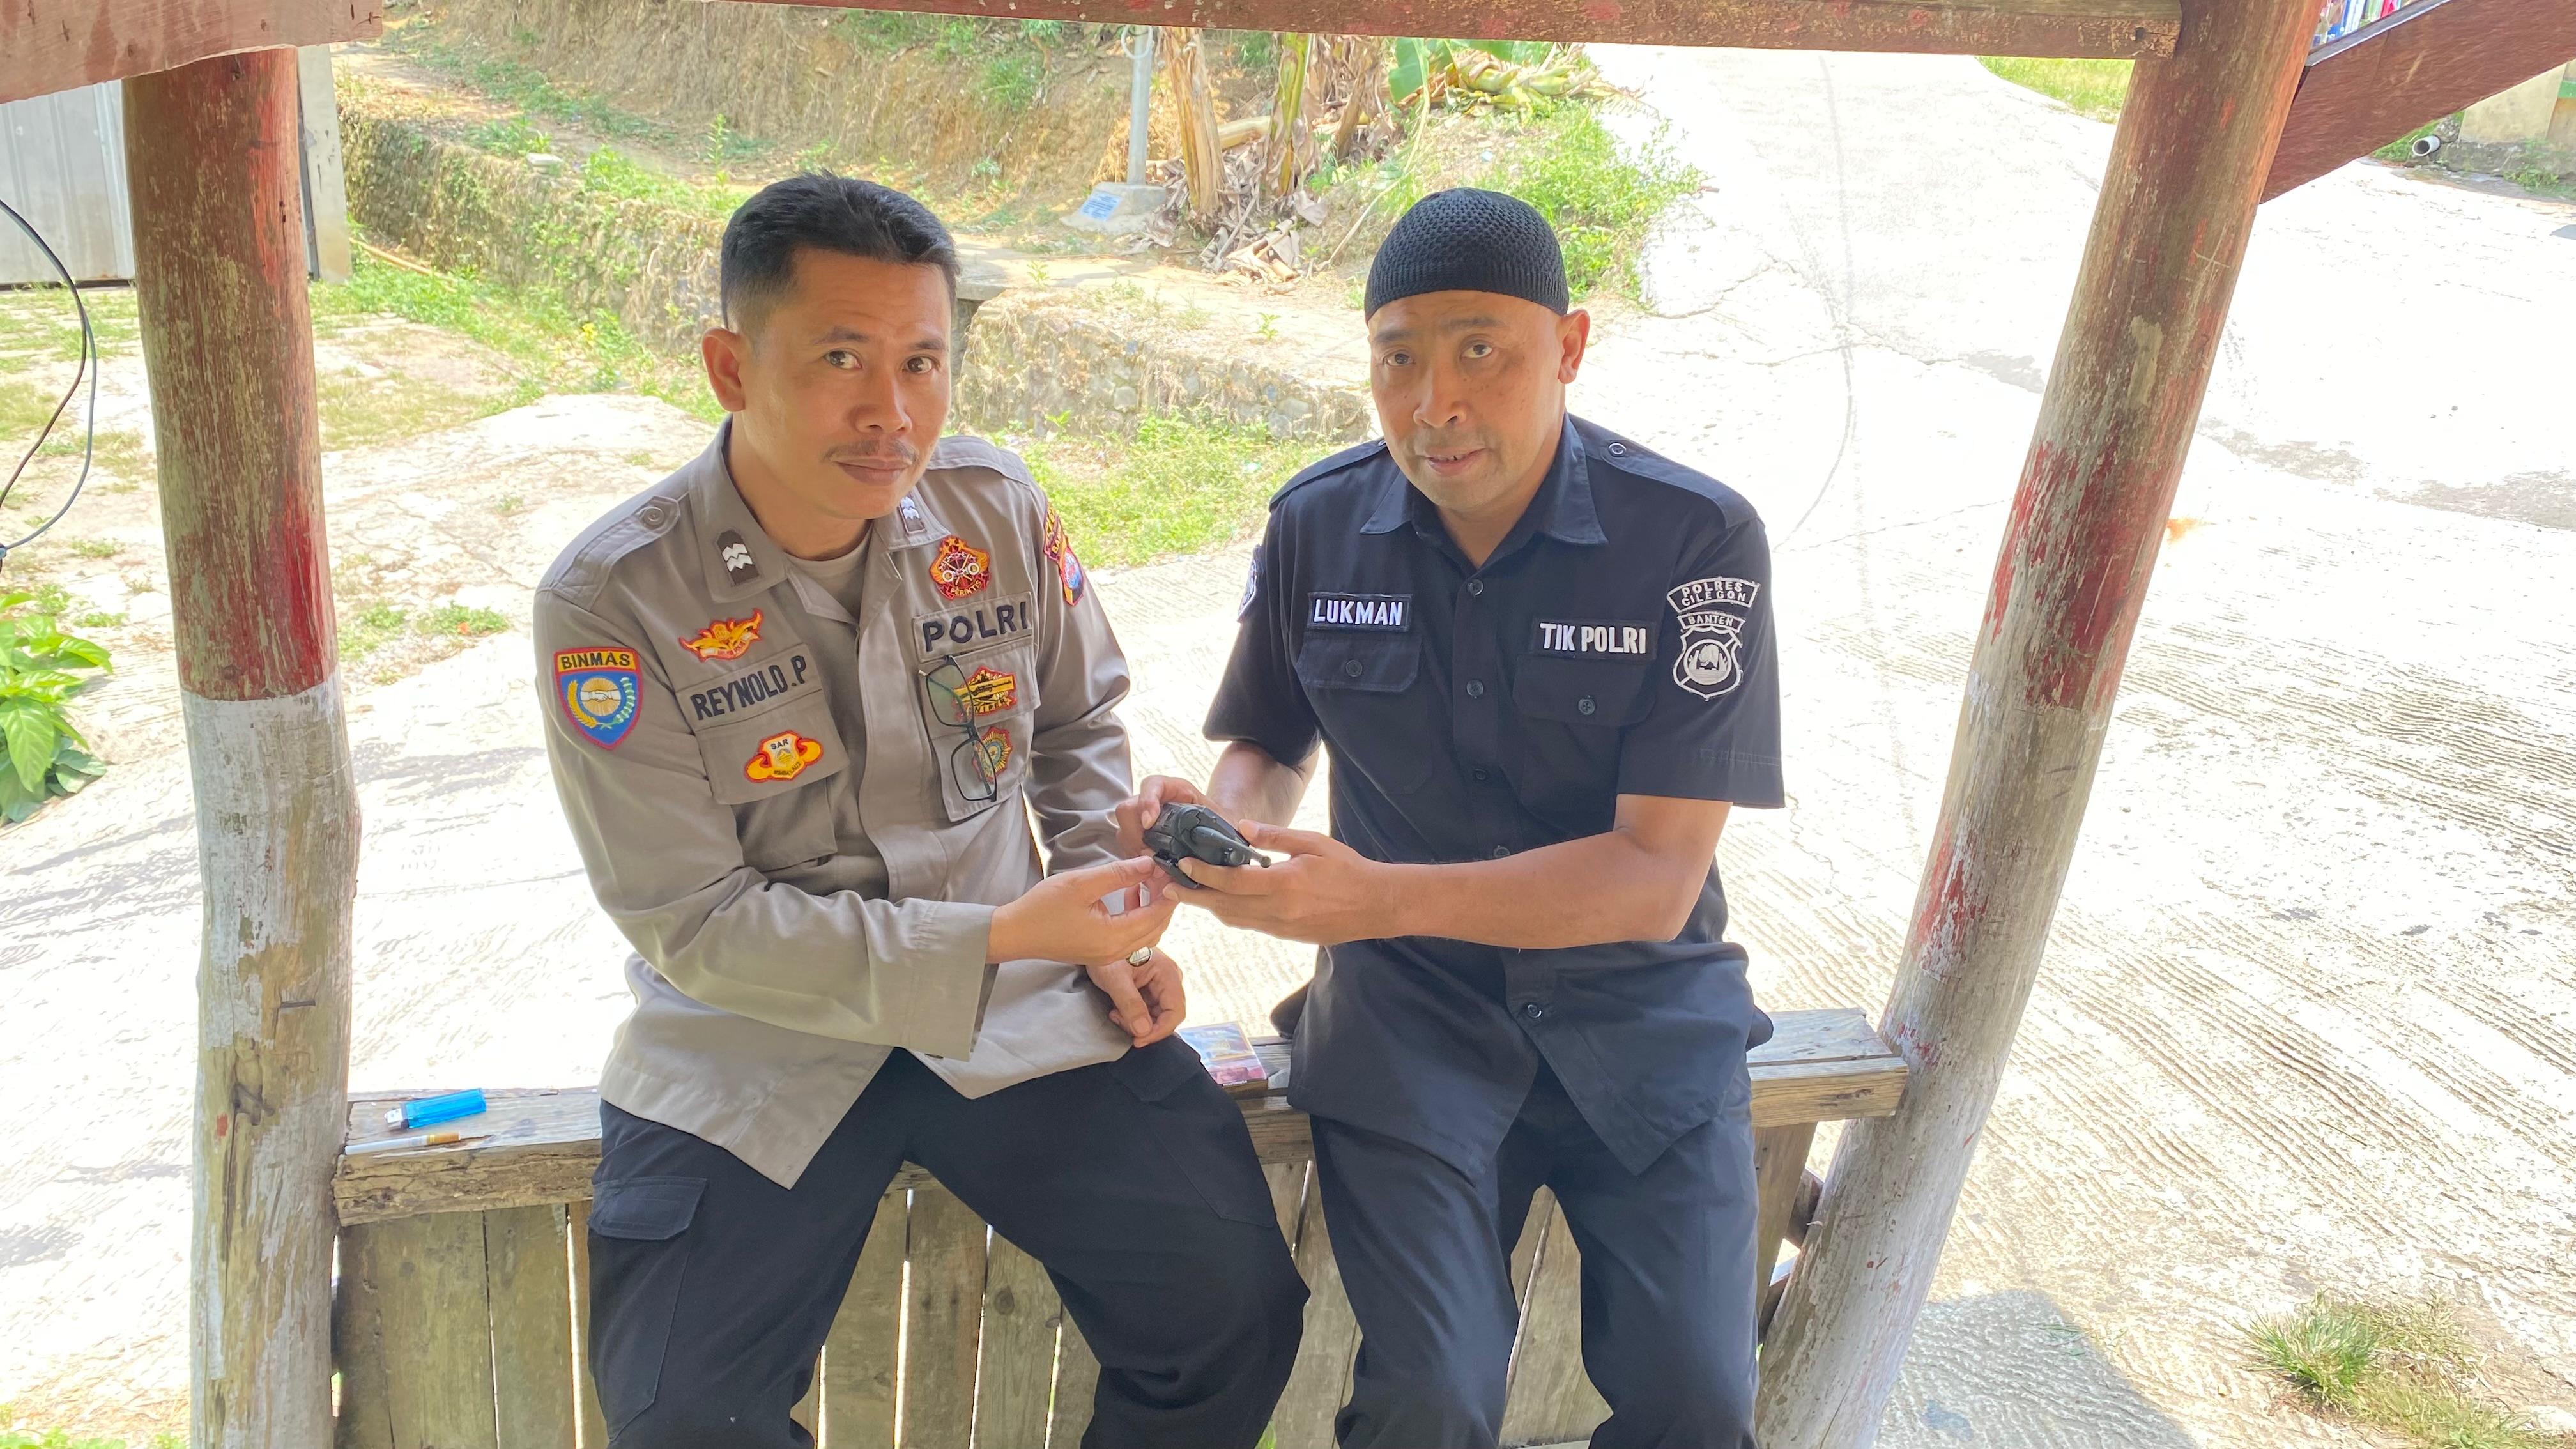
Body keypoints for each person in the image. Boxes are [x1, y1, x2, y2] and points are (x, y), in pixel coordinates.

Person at [537, 173, 1303, 1449]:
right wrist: (1013, 934)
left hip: (1022, 1008)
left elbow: (1074, 728)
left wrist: (1109, 903)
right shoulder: (616, 599)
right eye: (842, 359)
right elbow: (696, 921)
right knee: (680, 1416)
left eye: (923, 362)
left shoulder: (993, 508)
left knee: (1233, 1309)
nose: (891, 413)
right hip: (757, 1036)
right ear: (731, 367)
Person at [1122, 188, 1784, 1449]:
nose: (1436, 404)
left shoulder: (1694, 540)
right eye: (1399, 358)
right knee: (1431, 1401)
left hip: (1641, 1019)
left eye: (1483, 350)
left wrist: (1373, 897)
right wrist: (1222, 830)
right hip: (1409, 1027)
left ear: (1569, 347)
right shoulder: (1319, 524)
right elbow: (1267, 741)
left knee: (1698, 1404)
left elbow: (1655, 877)